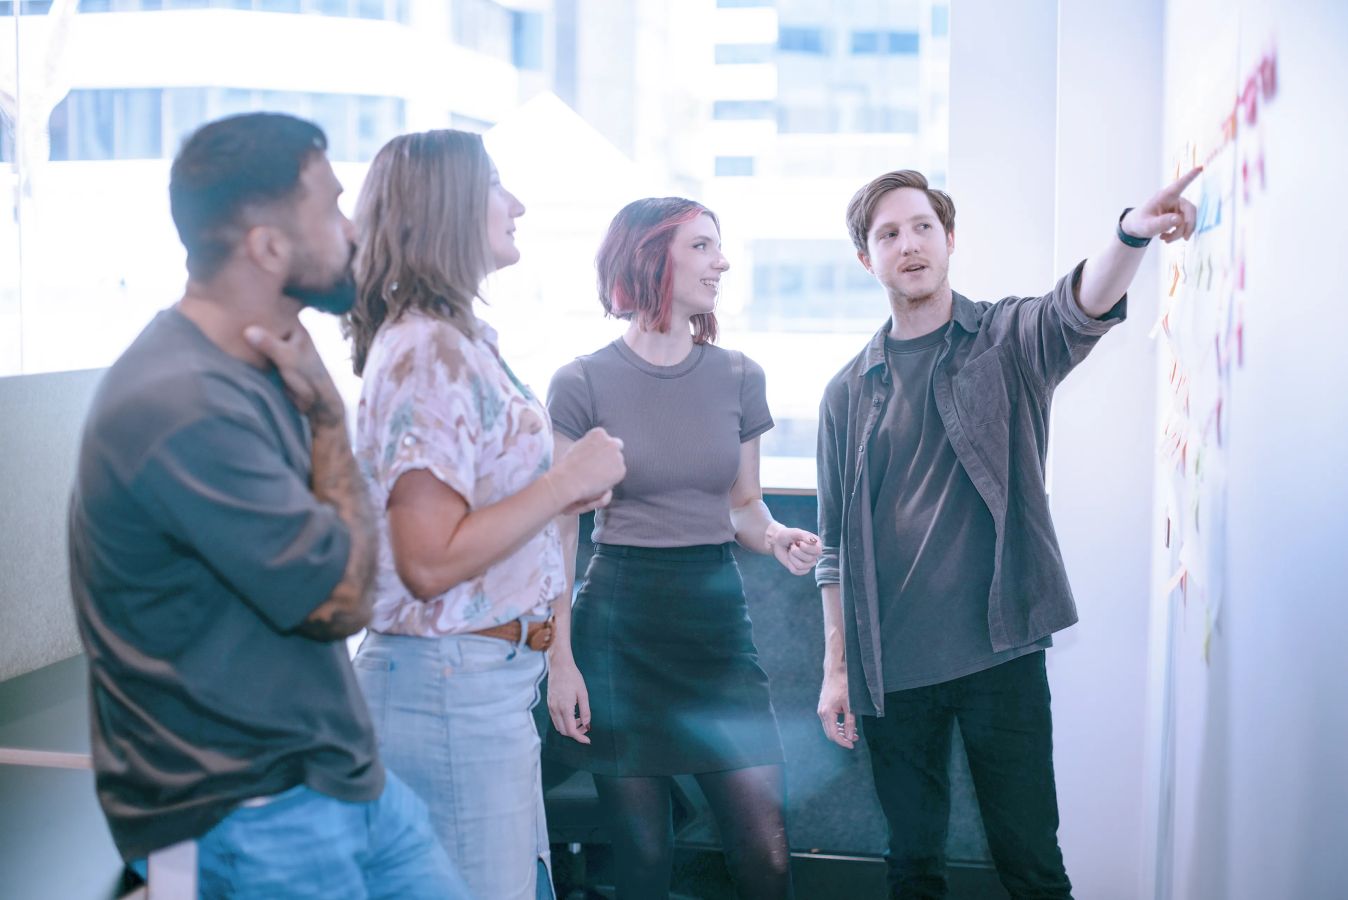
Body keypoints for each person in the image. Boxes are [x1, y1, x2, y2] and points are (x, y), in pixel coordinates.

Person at [67, 112, 466, 898]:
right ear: (268, 247)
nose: (353, 229)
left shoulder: (260, 374)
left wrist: (319, 413)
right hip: (242, 810)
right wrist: (332, 422)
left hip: (336, 782)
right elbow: (343, 598)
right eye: (332, 206)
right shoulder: (182, 404)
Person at [814, 167, 1201, 898]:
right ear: (867, 259)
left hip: (1001, 657)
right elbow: (833, 544)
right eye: (888, 234)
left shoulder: (1005, 341)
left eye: (923, 226)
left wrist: (1130, 235)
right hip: (891, 672)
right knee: (913, 865)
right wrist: (837, 669)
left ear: (949, 238)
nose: (910, 244)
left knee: (1031, 864)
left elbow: (1078, 306)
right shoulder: (847, 392)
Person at [343, 128, 626, 900]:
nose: (518, 205)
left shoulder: (455, 343)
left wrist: (556, 490)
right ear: (446, 208)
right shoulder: (425, 352)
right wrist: (563, 484)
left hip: (484, 681)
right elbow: (428, 561)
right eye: (498, 185)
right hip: (448, 686)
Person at [544, 197, 822, 900]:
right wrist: (560, 660)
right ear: (649, 258)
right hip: (619, 627)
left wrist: (776, 535)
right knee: (642, 866)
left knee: (767, 855)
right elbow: (562, 530)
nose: (721, 261)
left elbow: (741, 506)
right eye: (702, 246)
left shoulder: (738, 375)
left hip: (717, 628)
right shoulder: (580, 382)